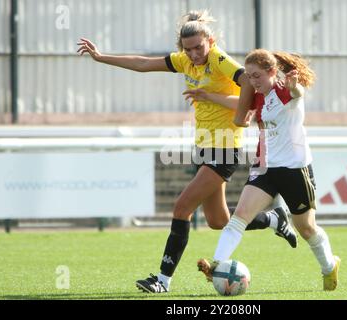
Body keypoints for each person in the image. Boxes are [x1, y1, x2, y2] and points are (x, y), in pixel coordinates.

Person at [76, 10, 297, 294]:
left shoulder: (219, 60)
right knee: (219, 221)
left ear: (210, 41)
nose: (193, 54)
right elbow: (144, 63)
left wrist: (220, 102)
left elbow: (249, 90)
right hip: (203, 145)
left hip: (225, 148)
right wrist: (101, 57)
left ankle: (162, 280)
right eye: (187, 49)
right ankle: (273, 219)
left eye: (198, 48)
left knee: (182, 207)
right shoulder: (184, 61)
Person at [197, 49, 341, 291]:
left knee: (305, 228)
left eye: (257, 76)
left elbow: (298, 92)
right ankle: (217, 265)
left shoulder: (285, 89)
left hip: (295, 168)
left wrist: (295, 86)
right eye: (249, 77)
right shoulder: (258, 95)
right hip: (265, 167)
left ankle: (329, 267)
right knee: (239, 217)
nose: (253, 81)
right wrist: (208, 96)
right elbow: (239, 104)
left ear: (272, 72)